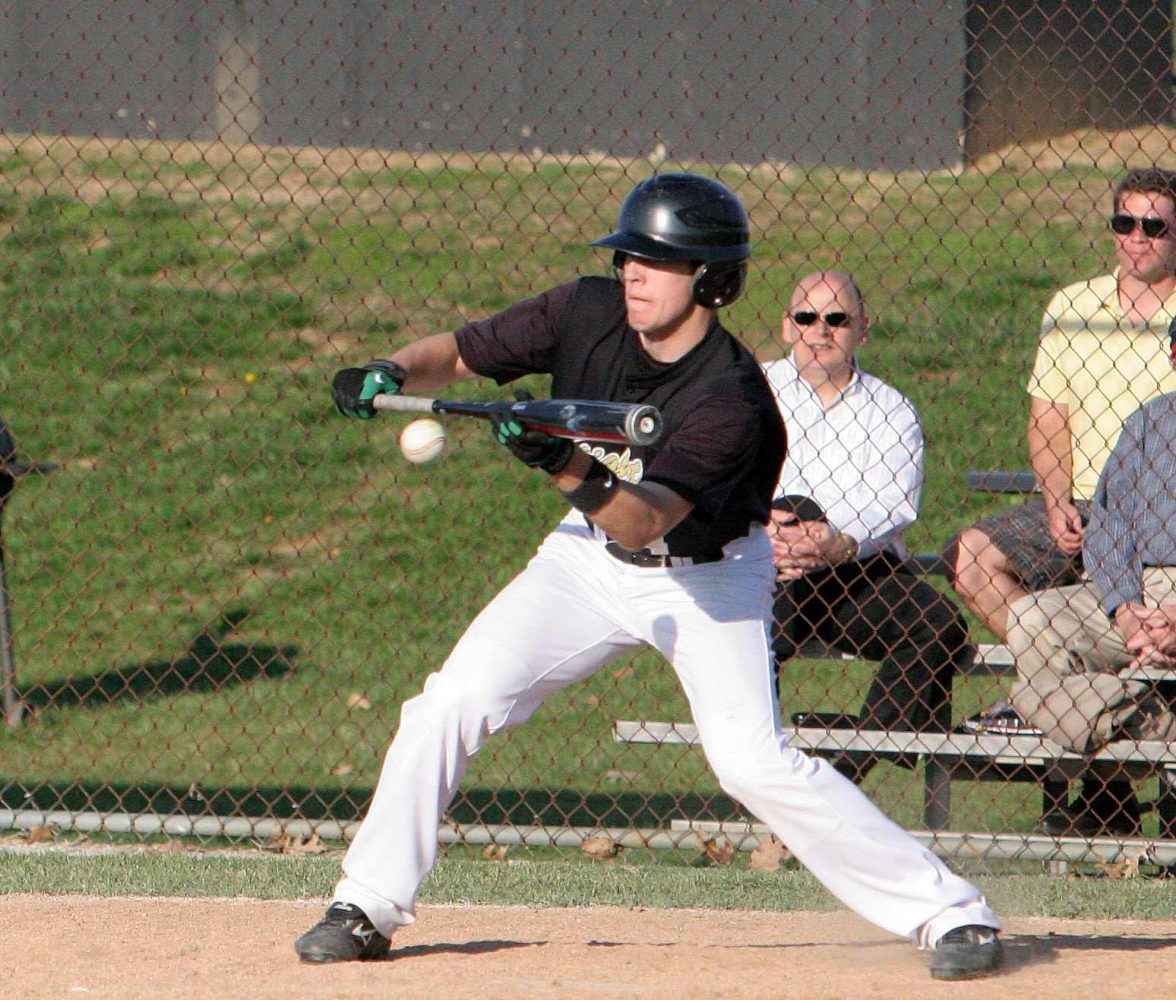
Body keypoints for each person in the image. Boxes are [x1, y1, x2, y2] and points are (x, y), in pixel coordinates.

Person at [294, 173, 1002, 980]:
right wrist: (390, 369)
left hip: (708, 575)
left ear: (711, 279)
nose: (633, 271)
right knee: (449, 702)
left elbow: (643, 519)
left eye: (658, 260)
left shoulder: (732, 394)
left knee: (751, 762)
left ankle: (954, 915)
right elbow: (458, 352)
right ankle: (366, 904)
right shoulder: (584, 311)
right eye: (630, 254)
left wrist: (560, 460)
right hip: (584, 562)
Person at [945, 166, 1176, 819]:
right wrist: (1054, 501)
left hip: (1157, 513)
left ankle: (1094, 717)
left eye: (1154, 226)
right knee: (972, 557)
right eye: (1124, 223)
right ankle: (1108, 759)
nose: (1137, 238)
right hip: (1079, 503)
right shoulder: (1074, 308)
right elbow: (1047, 419)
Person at [763, 272, 970, 783]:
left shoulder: (890, 409)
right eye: (806, 318)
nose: (820, 331)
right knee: (754, 618)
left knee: (939, 623)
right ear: (788, 327)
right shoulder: (753, 390)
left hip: (853, 574)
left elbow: (892, 503)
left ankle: (845, 767)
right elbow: (717, 471)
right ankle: (762, 765)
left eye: (837, 319)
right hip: (763, 564)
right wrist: (762, 528)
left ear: (862, 329)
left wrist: (833, 540)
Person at [1006, 325, 1176, 836]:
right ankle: (1141, 735)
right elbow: (1108, 529)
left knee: (1031, 695)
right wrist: (1125, 610)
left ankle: (1106, 741)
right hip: (1139, 593)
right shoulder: (1149, 423)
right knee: (1032, 617)